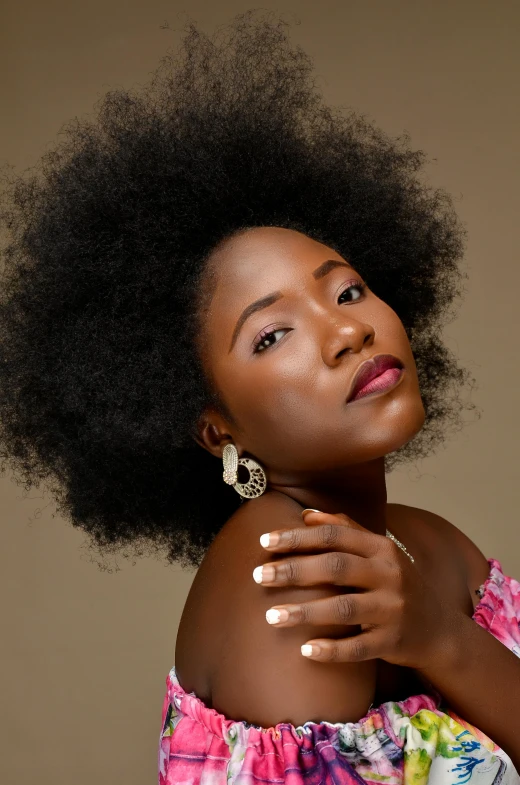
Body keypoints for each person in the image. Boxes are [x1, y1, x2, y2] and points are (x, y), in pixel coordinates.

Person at [1, 10, 520, 785]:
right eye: (272, 335)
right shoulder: (289, 587)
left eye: (347, 289)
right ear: (215, 429)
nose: (346, 332)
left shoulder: (427, 544)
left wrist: (438, 637)